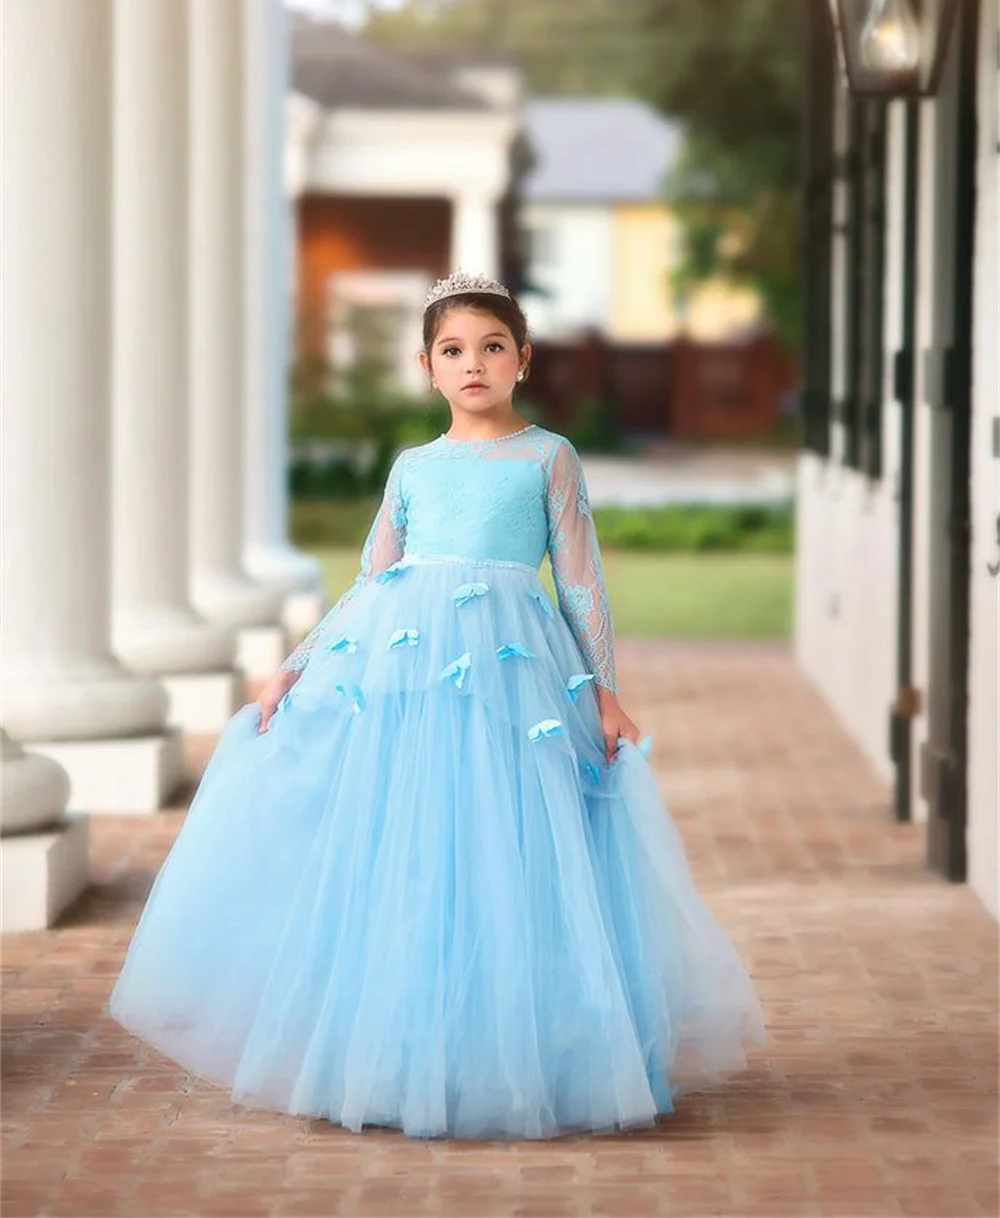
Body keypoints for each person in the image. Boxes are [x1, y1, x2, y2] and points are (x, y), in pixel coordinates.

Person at [109, 270, 765, 1140]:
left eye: (493, 347)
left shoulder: (548, 458)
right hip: (408, 678)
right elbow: (371, 582)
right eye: (453, 350)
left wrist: (605, 690)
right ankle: (400, 1050)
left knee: (508, 848)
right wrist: (297, 667)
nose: (473, 364)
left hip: (515, 680)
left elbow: (582, 586)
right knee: (415, 847)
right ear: (426, 366)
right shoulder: (414, 468)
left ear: (523, 359)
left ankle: (523, 1054)